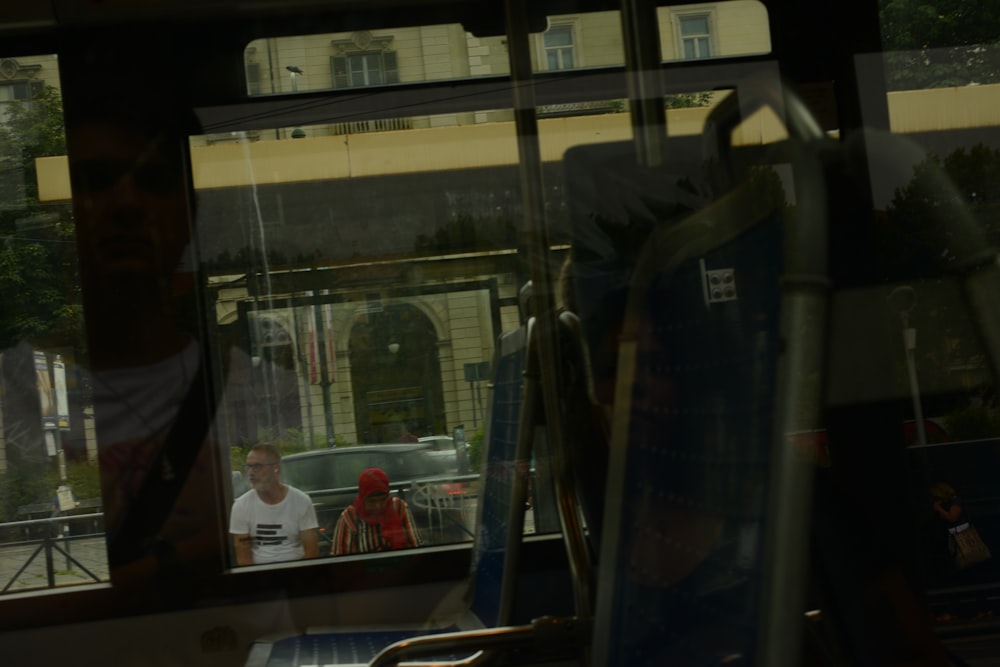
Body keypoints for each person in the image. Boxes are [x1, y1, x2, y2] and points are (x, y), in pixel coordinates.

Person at [229, 443, 320, 565]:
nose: (250, 472)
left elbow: (312, 552)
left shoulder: (301, 501)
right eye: (248, 467)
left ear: (276, 468)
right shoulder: (241, 506)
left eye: (257, 466)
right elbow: (243, 557)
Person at [330, 467, 419, 555]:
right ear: (363, 499)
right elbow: (340, 556)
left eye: (383, 500)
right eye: (371, 501)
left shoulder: (399, 508)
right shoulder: (349, 518)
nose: (378, 506)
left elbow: (415, 545)